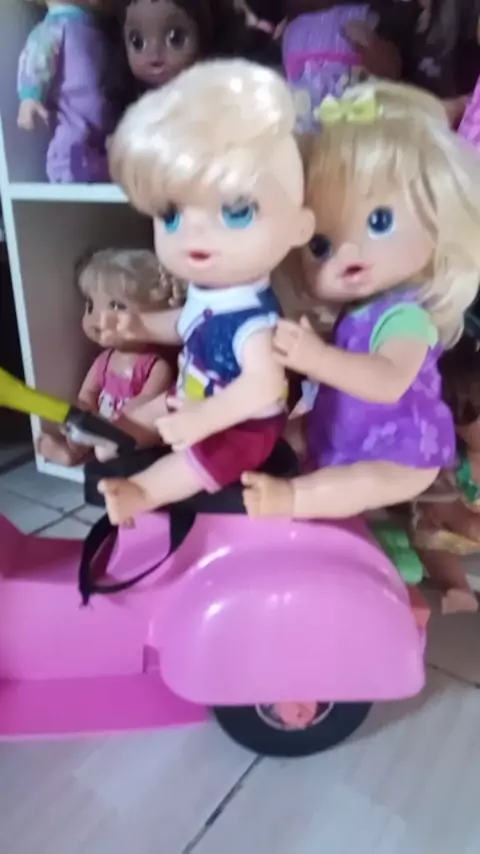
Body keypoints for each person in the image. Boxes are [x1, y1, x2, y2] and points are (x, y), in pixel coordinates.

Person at [242, 82, 480, 520]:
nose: (348, 252)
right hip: (348, 430)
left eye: (380, 220)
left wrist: (317, 358)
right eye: (320, 246)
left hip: (401, 449)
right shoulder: (355, 313)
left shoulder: (406, 316)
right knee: (276, 437)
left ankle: (291, 500)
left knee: (359, 482)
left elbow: (388, 380)